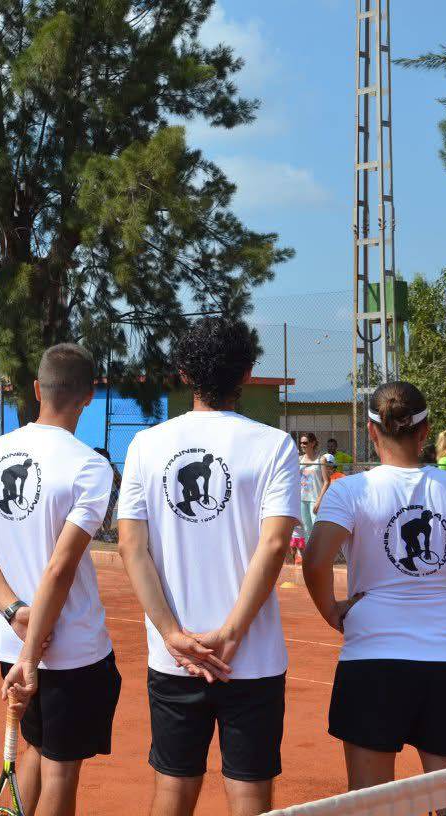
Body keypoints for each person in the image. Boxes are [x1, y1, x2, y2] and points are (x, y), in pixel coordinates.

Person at [302, 381, 446, 791]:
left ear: (372, 432)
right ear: (426, 432)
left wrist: (332, 611)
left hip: (370, 660)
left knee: (373, 805)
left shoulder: (348, 490)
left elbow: (315, 560)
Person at [117, 317, 300, 816]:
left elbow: (131, 548)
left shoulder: (145, 446)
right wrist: (234, 632)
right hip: (253, 657)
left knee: (173, 787)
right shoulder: (274, 445)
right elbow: (276, 542)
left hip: (175, 657)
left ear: (182, 373)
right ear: (245, 374)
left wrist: (173, 634)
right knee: (249, 792)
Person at [0, 343, 120, 816]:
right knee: (60, 769)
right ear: (89, 396)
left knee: (33, 751)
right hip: (70, 651)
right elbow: (59, 566)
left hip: (11, 646)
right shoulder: (90, 466)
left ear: (36, 389)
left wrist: (16, 615)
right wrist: (33, 654)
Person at [298, 432, 334, 539]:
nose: (302, 445)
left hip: (315, 498)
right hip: (302, 499)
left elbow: (327, 481)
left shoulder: (321, 459)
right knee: (306, 530)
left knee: (317, 529)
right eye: (301, 443)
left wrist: (319, 500)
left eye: (305, 443)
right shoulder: (299, 459)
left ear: (313, 443)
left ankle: (321, 554)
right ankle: (309, 555)